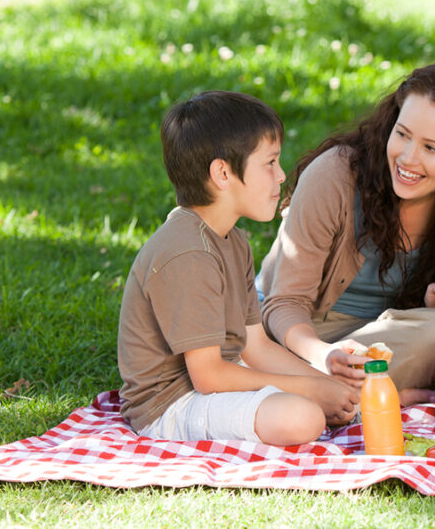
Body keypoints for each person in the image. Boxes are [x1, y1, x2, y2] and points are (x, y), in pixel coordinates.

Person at [117, 91, 359, 445]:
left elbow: (255, 346)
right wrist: (310, 389)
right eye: (270, 163)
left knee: (329, 398)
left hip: (221, 380)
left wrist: (323, 384)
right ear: (223, 173)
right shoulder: (188, 254)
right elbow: (208, 377)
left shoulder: (233, 240)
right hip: (170, 404)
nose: (281, 176)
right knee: (303, 415)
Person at [258, 62, 435, 404]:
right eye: (402, 134)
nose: (407, 158)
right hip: (297, 335)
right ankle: (376, 396)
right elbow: (283, 303)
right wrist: (323, 356)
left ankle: (336, 396)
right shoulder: (335, 176)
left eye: (431, 148)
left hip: (381, 342)